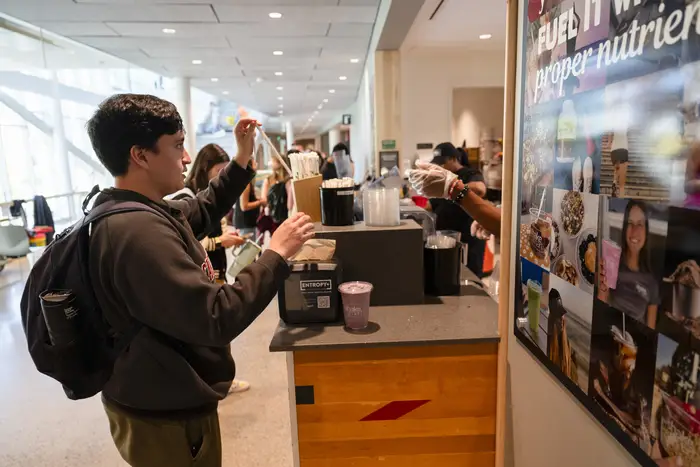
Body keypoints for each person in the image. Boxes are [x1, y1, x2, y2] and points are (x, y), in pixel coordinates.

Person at [85, 94, 314, 467]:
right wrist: (276, 254)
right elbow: (216, 316)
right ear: (140, 155)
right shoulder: (136, 231)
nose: (187, 157)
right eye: (177, 146)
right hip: (163, 412)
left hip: (162, 396)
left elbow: (204, 206)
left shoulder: (139, 209)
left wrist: (241, 159)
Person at [424, 142, 488, 276]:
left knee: (471, 277)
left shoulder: (469, 173)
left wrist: (453, 187)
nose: (440, 166)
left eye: (442, 162)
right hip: (446, 239)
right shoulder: (442, 179)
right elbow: (430, 205)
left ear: (453, 159)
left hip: (468, 240)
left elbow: (480, 188)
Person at [597, 200, 659, 328]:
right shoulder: (612, 264)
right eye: (630, 223)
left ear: (646, 232)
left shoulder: (652, 283)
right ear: (625, 229)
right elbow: (600, 309)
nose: (634, 230)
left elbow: (650, 330)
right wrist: (601, 286)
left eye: (640, 224)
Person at [261, 153, 293, 233]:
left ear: (280, 162)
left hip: (286, 216)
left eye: (273, 161)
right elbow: (264, 199)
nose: (271, 164)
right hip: (273, 218)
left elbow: (290, 203)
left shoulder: (289, 180)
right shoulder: (268, 180)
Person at [235, 159, 265, 238]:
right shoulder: (246, 184)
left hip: (247, 223)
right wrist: (260, 202)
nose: (257, 164)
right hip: (245, 224)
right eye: (254, 163)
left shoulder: (245, 181)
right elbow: (244, 206)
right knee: (249, 249)